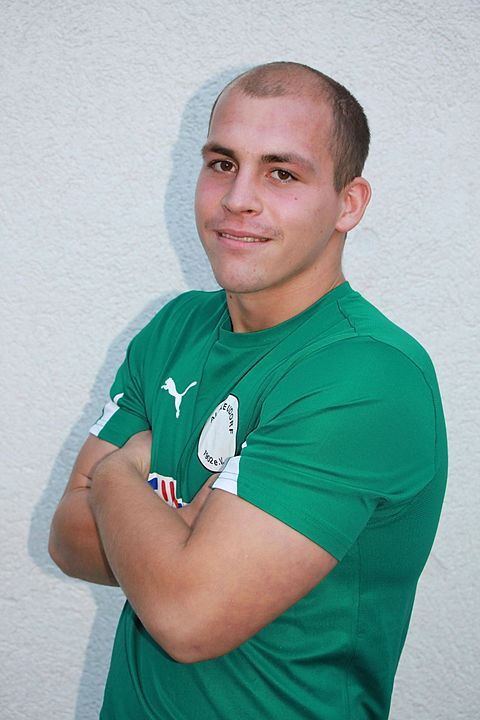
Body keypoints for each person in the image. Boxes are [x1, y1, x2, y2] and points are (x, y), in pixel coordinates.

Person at [48, 61, 447, 719]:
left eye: (281, 173)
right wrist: (177, 543)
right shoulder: (175, 327)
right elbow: (67, 537)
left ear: (348, 203)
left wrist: (116, 476)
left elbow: (187, 617)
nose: (238, 199)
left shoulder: (368, 375)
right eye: (222, 163)